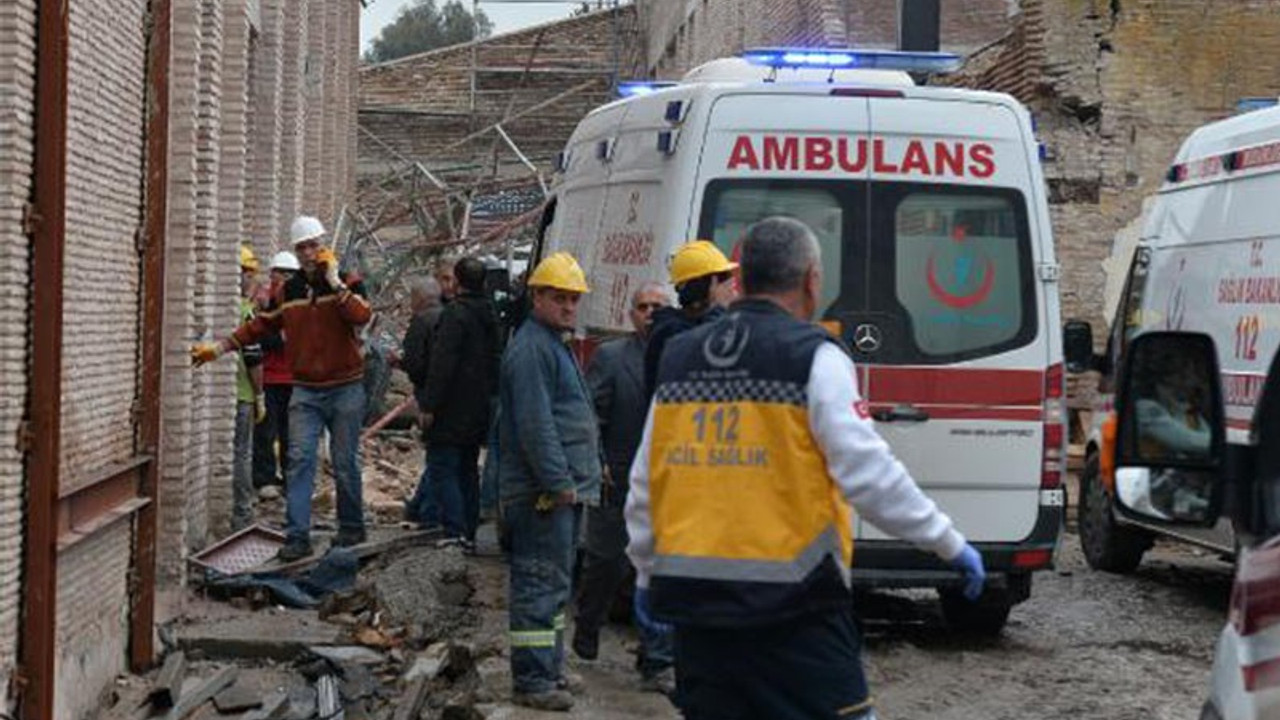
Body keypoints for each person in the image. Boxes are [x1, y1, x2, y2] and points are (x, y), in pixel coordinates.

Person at [626, 217, 987, 720]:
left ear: (742, 280)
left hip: (698, 611)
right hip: (795, 609)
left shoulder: (679, 357)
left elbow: (647, 481)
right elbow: (869, 474)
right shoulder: (812, 359)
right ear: (812, 280)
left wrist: (645, 574)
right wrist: (949, 543)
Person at [193, 215, 373, 561]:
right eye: (302, 247)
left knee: (345, 460)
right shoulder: (288, 293)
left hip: (345, 386)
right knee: (298, 459)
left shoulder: (349, 282)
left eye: (313, 245)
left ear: (324, 244)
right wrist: (218, 348)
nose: (308, 253)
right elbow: (260, 326)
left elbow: (362, 316)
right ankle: (297, 536)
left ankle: (351, 529)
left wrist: (335, 282)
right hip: (305, 389)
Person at [498, 252, 602, 712]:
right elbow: (536, 424)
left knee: (555, 586)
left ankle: (550, 668)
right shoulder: (533, 349)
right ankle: (534, 680)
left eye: (573, 299)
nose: (568, 307)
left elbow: (566, 416)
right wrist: (559, 480)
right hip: (541, 494)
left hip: (559, 490)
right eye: (559, 298)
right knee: (539, 585)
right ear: (536, 296)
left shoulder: (550, 343)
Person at [572, 282, 675, 692]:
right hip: (617, 475)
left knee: (658, 569)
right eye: (643, 306)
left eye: (658, 306)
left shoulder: (681, 356)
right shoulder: (612, 358)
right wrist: (595, 461)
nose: (650, 312)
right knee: (607, 561)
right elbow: (590, 415)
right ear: (631, 314)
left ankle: (657, 658)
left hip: (667, 481)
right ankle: (588, 624)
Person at [422, 257, 502, 548]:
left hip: (451, 408)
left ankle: (454, 531)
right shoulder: (490, 313)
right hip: (479, 406)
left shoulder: (455, 314)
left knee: (443, 467)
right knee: (468, 469)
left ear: (457, 281)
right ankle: (469, 532)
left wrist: (429, 405)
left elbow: (442, 364)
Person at [643, 239, 738, 396]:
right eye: (723, 279)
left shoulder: (684, 325)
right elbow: (705, 351)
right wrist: (719, 308)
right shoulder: (670, 333)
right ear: (710, 286)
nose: (731, 289)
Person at [253, 250, 300, 490]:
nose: (285, 278)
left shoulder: (298, 300)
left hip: (292, 379)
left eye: (290, 274)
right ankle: (265, 478)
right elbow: (262, 338)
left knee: (290, 432)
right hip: (270, 378)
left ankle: (291, 479)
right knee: (266, 431)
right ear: (273, 274)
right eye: (282, 273)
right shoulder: (263, 301)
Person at [401, 276, 445, 530]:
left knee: (437, 457)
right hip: (452, 399)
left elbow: (415, 363)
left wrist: (401, 363)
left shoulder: (421, 322)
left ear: (418, 299)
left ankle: (427, 513)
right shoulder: (450, 317)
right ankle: (420, 507)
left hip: (429, 397)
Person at [232, 245, 266, 531]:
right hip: (242, 394)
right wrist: (259, 394)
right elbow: (254, 358)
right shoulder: (245, 313)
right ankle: (242, 513)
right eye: (247, 274)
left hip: (227, 396)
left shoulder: (231, 308)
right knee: (242, 454)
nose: (250, 281)